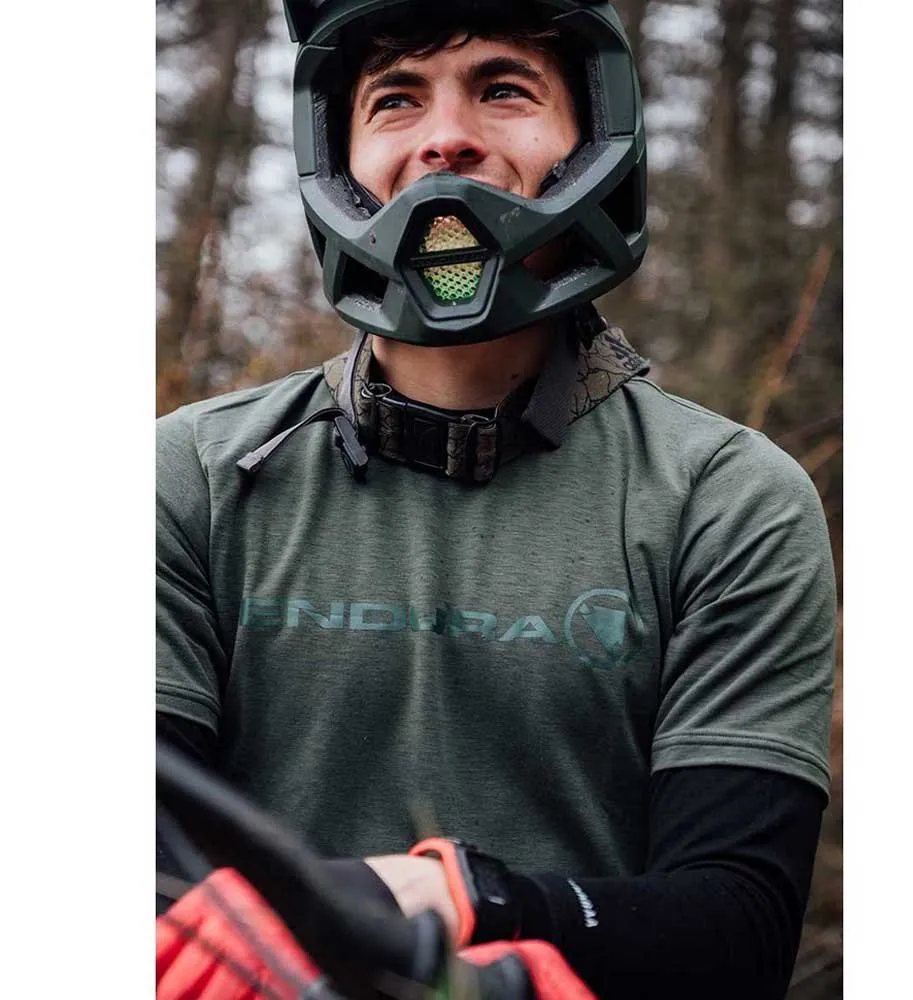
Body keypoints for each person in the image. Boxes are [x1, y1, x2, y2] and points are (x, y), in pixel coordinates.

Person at [156, 0, 837, 997]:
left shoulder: (725, 499)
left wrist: (474, 899)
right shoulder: (193, 475)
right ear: (338, 161)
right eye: (395, 98)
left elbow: (738, 929)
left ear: (593, 140)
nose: (445, 137)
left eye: (504, 89)